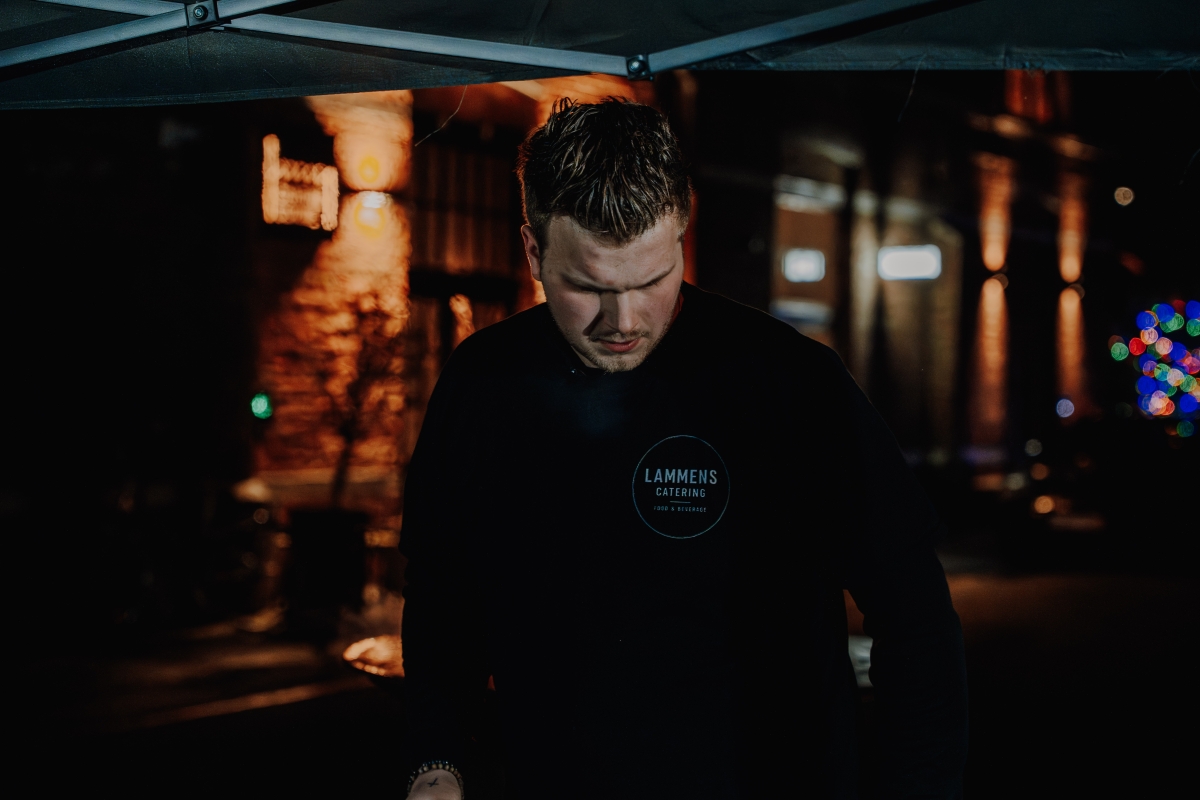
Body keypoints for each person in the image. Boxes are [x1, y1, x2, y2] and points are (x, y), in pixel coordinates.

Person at [399, 98, 967, 800]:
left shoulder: (788, 381)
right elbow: (440, 596)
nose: (622, 320)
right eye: (587, 287)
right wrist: (435, 760)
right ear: (533, 250)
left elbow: (914, 611)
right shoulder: (483, 385)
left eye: (650, 281)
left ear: (681, 233)